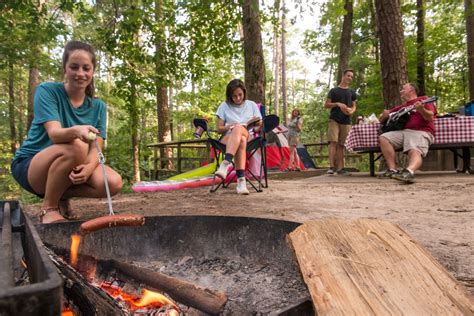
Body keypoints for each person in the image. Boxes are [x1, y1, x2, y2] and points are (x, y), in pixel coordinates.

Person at [11, 41, 123, 223]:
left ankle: (61, 195)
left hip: (68, 166)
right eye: (74, 67)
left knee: (113, 182)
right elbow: (54, 134)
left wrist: (88, 168)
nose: (80, 73)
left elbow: (97, 148)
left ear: (93, 71)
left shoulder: (99, 106)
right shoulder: (47, 91)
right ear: (65, 68)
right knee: (77, 145)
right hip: (31, 166)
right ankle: (49, 208)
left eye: (86, 68)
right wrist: (77, 130)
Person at [378, 83, 437, 184]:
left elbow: (430, 117)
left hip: (421, 131)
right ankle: (393, 170)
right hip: (404, 132)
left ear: (411, 90)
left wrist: (421, 110)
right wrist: (384, 115)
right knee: (384, 138)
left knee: (414, 150)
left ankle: (409, 172)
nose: (400, 91)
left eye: (403, 89)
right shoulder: (403, 107)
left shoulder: (424, 99)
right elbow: (382, 118)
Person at [214, 79, 262, 195]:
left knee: (240, 129)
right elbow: (219, 129)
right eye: (234, 96)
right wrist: (229, 126)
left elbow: (258, 127)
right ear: (230, 96)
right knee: (241, 140)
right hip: (228, 138)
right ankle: (241, 182)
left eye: (240, 95)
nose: (238, 98)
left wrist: (257, 125)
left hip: (248, 135)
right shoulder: (224, 106)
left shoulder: (252, 105)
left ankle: (225, 163)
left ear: (244, 93)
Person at [324, 69, 357, 175]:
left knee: (342, 145)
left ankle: (340, 169)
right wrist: (337, 104)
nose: (350, 78)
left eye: (351, 77)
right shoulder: (333, 91)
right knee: (333, 142)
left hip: (346, 121)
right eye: (348, 76)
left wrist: (351, 111)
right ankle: (331, 167)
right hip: (334, 119)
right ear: (343, 76)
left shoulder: (352, 92)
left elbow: (354, 105)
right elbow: (326, 105)